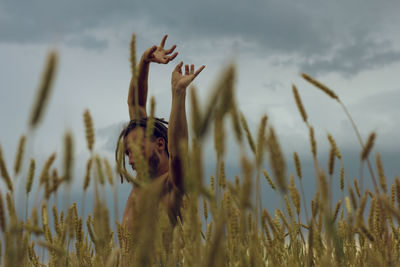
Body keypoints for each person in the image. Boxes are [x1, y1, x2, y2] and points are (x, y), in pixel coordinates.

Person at [118, 35, 205, 227]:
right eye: (128, 153)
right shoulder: (142, 182)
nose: (131, 161)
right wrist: (144, 61)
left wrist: (179, 95)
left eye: (136, 150)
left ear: (160, 143)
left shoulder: (173, 186)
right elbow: (135, 103)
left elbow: (178, 153)